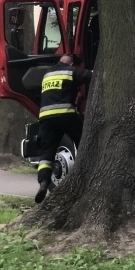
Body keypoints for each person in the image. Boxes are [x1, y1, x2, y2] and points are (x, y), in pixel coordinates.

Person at [35, 54, 92, 203]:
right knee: (83, 139)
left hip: (46, 118)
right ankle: (85, 173)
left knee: (46, 153)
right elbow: (88, 76)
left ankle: (43, 183)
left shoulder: (47, 75)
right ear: (71, 63)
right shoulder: (70, 71)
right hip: (65, 114)